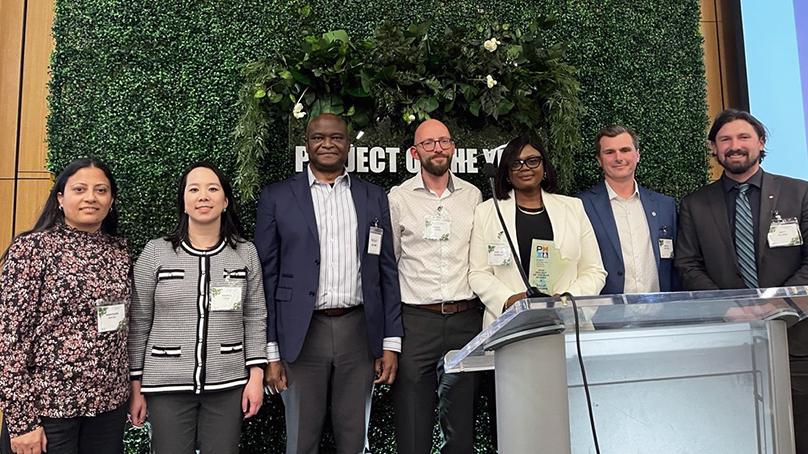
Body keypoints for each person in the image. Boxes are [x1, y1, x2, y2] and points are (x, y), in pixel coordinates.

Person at [255, 113, 403, 453]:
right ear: (306, 144)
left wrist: (391, 341)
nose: (327, 144)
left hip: (359, 332)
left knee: (355, 438)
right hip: (301, 334)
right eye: (318, 137)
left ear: (348, 144)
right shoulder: (277, 197)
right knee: (301, 439)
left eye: (336, 137)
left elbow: (386, 271)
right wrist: (270, 351)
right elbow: (266, 276)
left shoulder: (372, 197)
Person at [674, 108, 808, 452]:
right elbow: (688, 265)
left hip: (795, 340)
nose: (735, 146)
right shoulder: (694, 204)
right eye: (725, 139)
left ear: (761, 143)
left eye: (743, 137)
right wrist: (731, 308)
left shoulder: (800, 193)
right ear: (714, 148)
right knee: (734, 432)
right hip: (727, 340)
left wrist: (776, 305)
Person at [128, 162, 266, 454]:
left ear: (226, 200)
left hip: (228, 382)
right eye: (194, 189)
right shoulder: (156, 252)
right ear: (183, 201)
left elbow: (255, 317)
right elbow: (138, 321)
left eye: (213, 189)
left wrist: (256, 375)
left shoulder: (245, 252)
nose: (204, 196)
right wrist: (136, 384)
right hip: (166, 384)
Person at [0, 158, 131, 454]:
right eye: (80, 189)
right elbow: (10, 340)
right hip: (49, 409)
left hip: (107, 407)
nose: (91, 198)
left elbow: (124, 326)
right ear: (60, 197)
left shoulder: (118, 252)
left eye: (101, 190)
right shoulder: (32, 249)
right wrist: (22, 422)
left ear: (111, 200)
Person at [388, 119, 483, 454]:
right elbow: (391, 262)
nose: (437, 149)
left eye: (443, 141)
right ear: (415, 153)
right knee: (412, 421)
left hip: (465, 319)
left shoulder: (473, 196)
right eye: (428, 143)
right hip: (416, 321)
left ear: (453, 147)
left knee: (461, 424)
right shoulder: (399, 198)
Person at [469, 135, 606, 327]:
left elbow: (594, 270)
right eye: (516, 163)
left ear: (544, 167)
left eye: (533, 161)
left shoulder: (573, 208)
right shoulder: (487, 212)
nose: (525, 167)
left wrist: (567, 300)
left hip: (567, 324)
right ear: (507, 173)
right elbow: (477, 273)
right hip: (510, 326)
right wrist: (508, 300)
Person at [579, 125, 679, 294]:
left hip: (660, 312)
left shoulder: (665, 206)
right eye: (609, 152)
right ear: (599, 160)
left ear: (637, 155)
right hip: (606, 314)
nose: (618, 158)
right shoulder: (581, 205)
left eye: (625, 150)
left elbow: (676, 266)